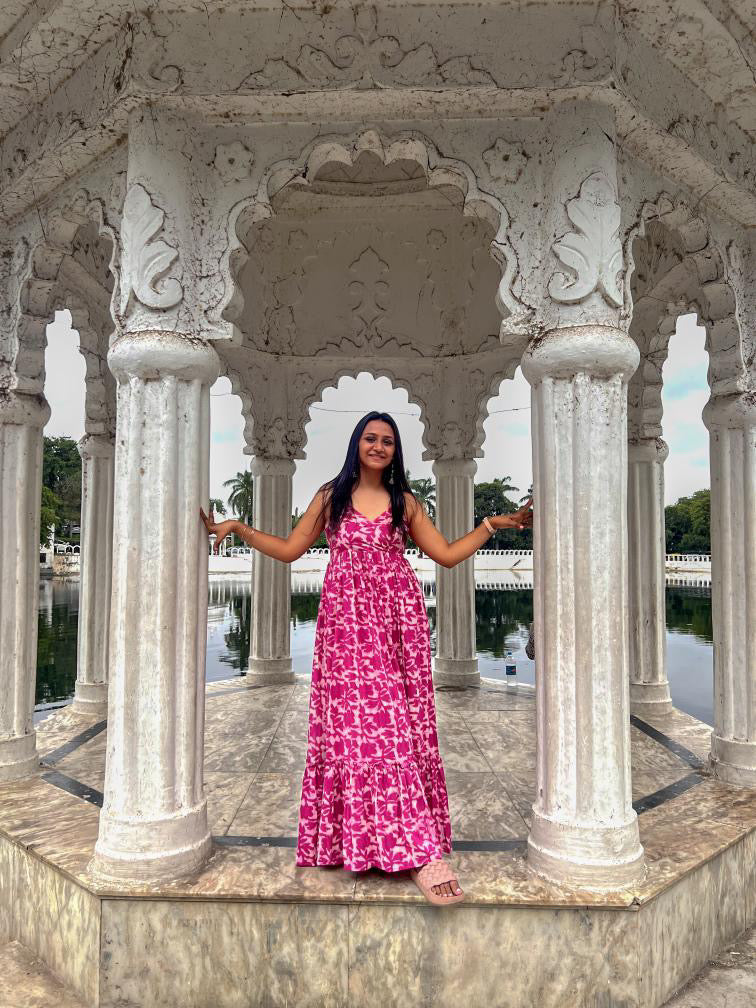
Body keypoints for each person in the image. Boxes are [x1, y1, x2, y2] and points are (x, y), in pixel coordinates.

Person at [201, 411, 533, 906]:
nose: (378, 447)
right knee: (359, 734)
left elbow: (444, 554)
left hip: (399, 627)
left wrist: (493, 523)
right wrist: (237, 526)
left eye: (388, 442)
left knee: (399, 728)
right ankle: (360, 842)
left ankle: (419, 851)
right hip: (347, 631)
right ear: (357, 443)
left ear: (396, 452)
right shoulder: (330, 496)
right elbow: (292, 549)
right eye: (371, 439)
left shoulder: (404, 502)